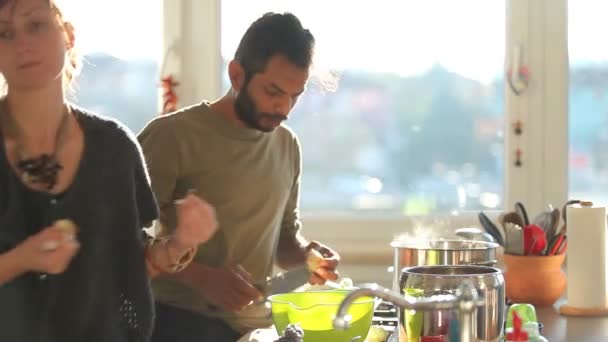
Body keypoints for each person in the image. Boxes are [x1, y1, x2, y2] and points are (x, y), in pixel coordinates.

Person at [0, 0, 218, 341]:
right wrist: (20, 259)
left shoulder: (113, 148)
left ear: (68, 35)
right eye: (4, 34)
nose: (22, 43)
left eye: (36, 25)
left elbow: (132, 267)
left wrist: (179, 243)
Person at [139, 12, 341, 341]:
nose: (284, 108)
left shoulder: (287, 146)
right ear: (236, 74)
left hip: (255, 328)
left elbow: (283, 244)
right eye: (273, 91)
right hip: (177, 323)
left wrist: (307, 257)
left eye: (296, 95)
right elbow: (119, 241)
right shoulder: (172, 137)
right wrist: (202, 277)